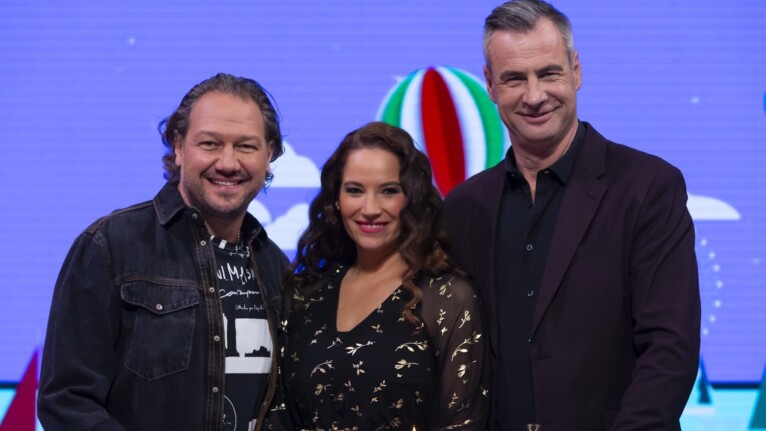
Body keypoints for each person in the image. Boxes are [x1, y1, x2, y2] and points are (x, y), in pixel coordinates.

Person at [443, 1, 701, 430]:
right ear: (489, 84)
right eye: (514, 79)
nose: (534, 96)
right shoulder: (464, 207)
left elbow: (669, 349)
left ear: (576, 71)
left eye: (549, 73)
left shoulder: (647, 187)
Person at [38, 73, 289, 431]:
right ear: (178, 146)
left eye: (246, 146)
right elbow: (67, 401)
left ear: (269, 155)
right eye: (210, 144)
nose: (228, 163)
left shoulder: (276, 267)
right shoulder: (110, 247)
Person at [266, 121, 489, 430]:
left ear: (412, 198)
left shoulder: (447, 297)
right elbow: (279, 414)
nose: (370, 208)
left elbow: (462, 422)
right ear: (336, 199)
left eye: (388, 191)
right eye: (355, 190)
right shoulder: (306, 293)